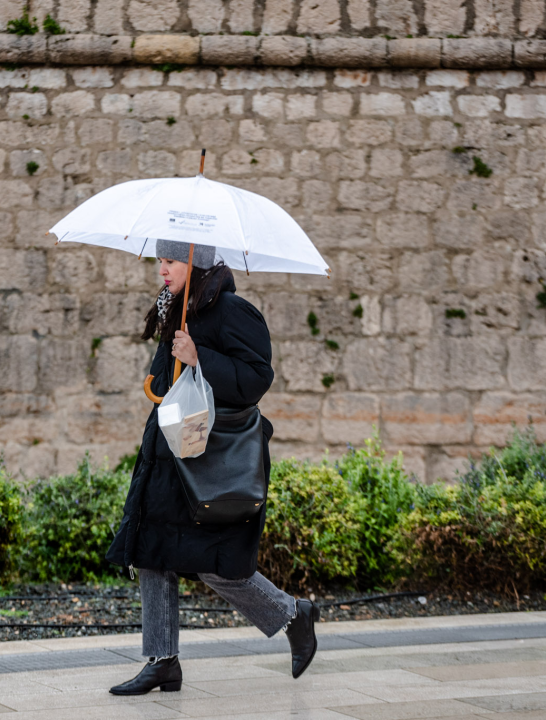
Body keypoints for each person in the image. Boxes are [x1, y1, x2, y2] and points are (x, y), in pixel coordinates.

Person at [105, 239, 319, 695]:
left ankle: (292, 614)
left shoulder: (231, 311)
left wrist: (201, 357)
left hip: (210, 460)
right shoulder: (174, 308)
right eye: (159, 261)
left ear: (195, 261)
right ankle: (162, 661)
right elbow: (166, 382)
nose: (162, 269)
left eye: (170, 261)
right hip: (169, 452)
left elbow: (257, 377)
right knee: (151, 553)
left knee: (215, 564)